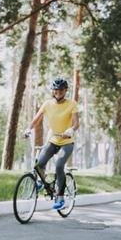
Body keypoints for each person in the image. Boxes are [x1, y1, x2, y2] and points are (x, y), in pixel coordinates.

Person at [24, 78, 80, 210]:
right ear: (53, 91)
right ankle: (42, 183)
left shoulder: (72, 104)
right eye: (55, 90)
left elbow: (76, 123)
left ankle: (60, 198)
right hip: (53, 140)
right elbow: (36, 119)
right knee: (39, 164)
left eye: (61, 90)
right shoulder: (47, 104)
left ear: (65, 91)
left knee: (59, 166)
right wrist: (29, 129)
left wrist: (71, 130)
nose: (58, 92)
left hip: (67, 141)